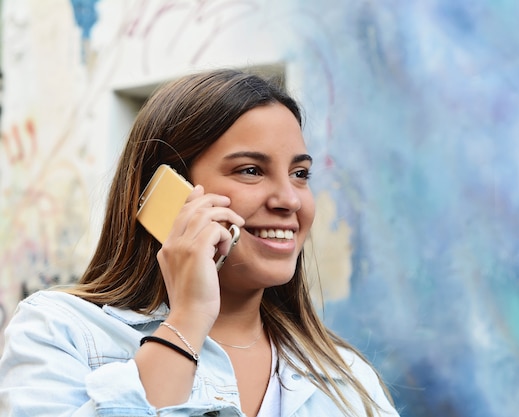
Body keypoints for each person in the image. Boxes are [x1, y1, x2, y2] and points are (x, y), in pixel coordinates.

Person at [0, 69, 399, 417]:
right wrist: (187, 322)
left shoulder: (345, 379)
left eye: (300, 173)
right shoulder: (58, 331)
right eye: (250, 170)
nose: (290, 200)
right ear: (165, 193)